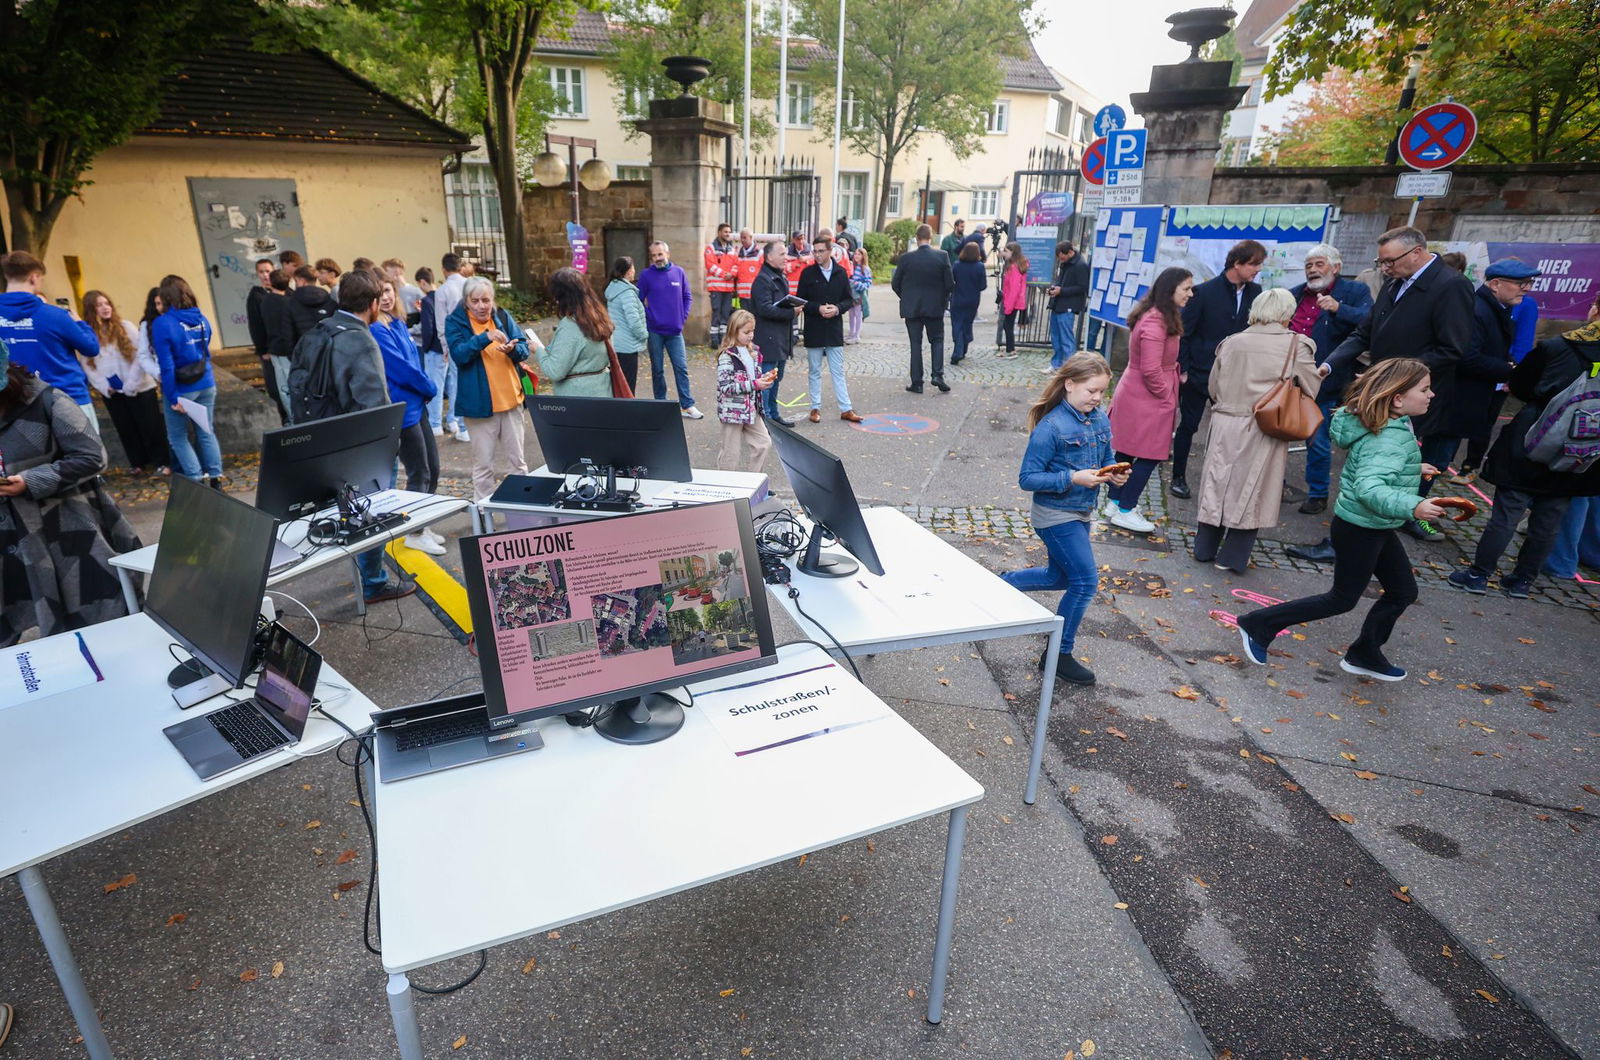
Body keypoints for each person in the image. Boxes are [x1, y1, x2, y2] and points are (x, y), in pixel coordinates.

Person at [1236, 359, 1446, 682]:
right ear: (1397, 399)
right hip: (1361, 529)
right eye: (1425, 389)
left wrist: (1410, 468)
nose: (1431, 395)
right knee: (1342, 599)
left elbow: (1372, 464)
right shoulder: (1388, 437)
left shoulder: (1390, 425)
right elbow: (1369, 488)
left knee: (1403, 590)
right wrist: (1415, 506)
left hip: (1373, 525)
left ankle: (1365, 653)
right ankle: (1259, 624)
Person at [1323, 225, 1475, 541]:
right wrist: (1327, 364)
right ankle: (1357, 532)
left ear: (1417, 252)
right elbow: (1364, 333)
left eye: (1390, 261)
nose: (1385, 268)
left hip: (1407, 398)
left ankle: (1390, 522)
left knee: (1387, 463)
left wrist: (1393, 378)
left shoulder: (1451, 286)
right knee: (1370, 462)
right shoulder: (1395, 283)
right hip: (1384, 394)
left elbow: (1451, 348)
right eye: (1381, 262)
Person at [1448, 290, 1600, 599]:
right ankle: (1522, 581)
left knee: (1507, 513)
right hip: (1582, 448)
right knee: (1549, 519)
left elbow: (1521, 386)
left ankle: (1479, 574)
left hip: (1534, 436)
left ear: (1595, 310)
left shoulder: (1558, 347)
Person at [998, 352, 1130, 686]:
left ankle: (1001, 584)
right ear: (1069, 384)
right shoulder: (1052, 427)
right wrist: (1072, 477)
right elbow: (1028, 478)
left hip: (1081, 511)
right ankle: (1058, 654)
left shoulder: (1099, 420)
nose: (1097, 397)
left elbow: (1106, 459)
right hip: (1054, 515)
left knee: (1058, 576)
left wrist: (1114, 475)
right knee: (1084, 582)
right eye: (1091, 390)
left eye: (1102, 391)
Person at [0, 338, 141, 647]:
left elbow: (92, 456)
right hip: (9, 538)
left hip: (66, 529)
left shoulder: (49, 401)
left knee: (94, 626)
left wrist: (31, 480)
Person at [294, 269, 416, 604]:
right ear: (374, 303)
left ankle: (365, 577)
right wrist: (388, 448)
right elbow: (375, 405)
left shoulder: (319, 330)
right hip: (355, 445)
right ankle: (373, 582)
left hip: (321, 436)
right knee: (369, 511)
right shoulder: (360, 340)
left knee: (347, 511)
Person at [1192, 289, 1322, 573]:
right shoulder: (1297, 345)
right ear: (1287, 313)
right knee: (1252, 489)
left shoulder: (1231, 342)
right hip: (1265, 424)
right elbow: (1311, 389)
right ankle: (1231, 557)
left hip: (1225, 420)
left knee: (1216, 483)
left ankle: (1204, 548)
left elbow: (1213, 386)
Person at [1169, 240, 1265, 499]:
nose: (1258, 269)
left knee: (1229, 430)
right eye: (1254, 264)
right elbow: (1184, 333)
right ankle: (1178, 476)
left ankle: (1221, 479)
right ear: (1237, 263)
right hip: (1199, 373)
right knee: (1189, 426)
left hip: (1234, 375)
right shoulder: (1204, 292)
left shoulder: (1256, 293)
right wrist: (1184, 370)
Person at [1287, 244, 1374, 530]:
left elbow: (1370, 322)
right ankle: (1275, 483)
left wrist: (1338, 308)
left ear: (1336, 267)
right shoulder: (1296, 293)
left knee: (1318, 441)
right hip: (1288, 380)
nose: (1312, 270)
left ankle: (1317, 493)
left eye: (1319, 264)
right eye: (1308, 265)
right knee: (1275, 432)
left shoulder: (1354, 292)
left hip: (1325, 381)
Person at [1105, 267, 1194, 533]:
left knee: (1126, 450)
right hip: (1147, 397)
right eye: (1186, 288)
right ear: (1170, 290)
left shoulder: (1156, 315)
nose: (1190, 293)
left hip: (1139, 394)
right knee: (1149, 454)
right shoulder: (1156, 322)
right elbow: (1151, 369)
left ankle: (1115, 502)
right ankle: (1125, 509)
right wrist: (1166, 395)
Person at [1445, 260, 1538, 484]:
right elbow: (1468, 357)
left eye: (1529, 283)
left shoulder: (1507, 306)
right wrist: (1509, 370)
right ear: (1495, 284)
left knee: (1483, 426)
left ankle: (1469, 466)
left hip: (1490, 382)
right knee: (1444, 444)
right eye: (1521, 283)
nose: (1527, 288)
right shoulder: (1478, 308)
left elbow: (1521, 341)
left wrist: (1512, 371)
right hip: (1465, 391)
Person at [371, 278, 442, 556]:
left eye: (388, 291)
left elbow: (414, 361)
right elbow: (401, 369)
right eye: (380, 293)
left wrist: (424, 389)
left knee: (432, 468)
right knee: (418, 472)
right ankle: (414, 532)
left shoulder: (396, 322)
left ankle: (422, 523)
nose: (385, 297)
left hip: (417, 404)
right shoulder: (377, 328)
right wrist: (429, 387)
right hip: (403, 410)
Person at [446, 275, 532, 502]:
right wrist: (485, 337)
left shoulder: (501, 316)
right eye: (475, 301)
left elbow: (523, 347)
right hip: (479, 408)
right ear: (466, 301)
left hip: (511, 402)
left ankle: (522, 510)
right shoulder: (455, 322)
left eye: (486, 300)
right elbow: (459, 355)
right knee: (484, 467)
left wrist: (513, 350)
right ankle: (484, 514)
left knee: (518, 464)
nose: (481, 306)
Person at [0, 252, 99, 431]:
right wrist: (80, 323)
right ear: (34, 277)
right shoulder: (56, 315)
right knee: (87, 449)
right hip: (68, 401)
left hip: (15, 407)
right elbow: (91, 347)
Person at [81, 290, 168, 475]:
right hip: (113, 391)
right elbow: (88, 365)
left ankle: (161, 462)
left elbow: (140, 356)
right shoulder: (88, 335)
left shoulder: (126, 327)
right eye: (99, 305)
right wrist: (104, 386)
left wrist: (131, 383)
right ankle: (137, 463)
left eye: (107, 303)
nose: (105, 308)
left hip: (139, 387)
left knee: (151, 425)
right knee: (126, 428)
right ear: (90, 310)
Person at [149, 275, 224, 487]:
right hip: (206, 381)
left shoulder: (163, 323)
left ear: (165, 297)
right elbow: (205, 347)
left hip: (182, 387)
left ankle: (196, 479)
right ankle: (216, 478)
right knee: (206, 431)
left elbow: (167, 365)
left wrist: (172, 397)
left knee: (177, 437)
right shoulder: (201, 318)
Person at [798, 237, 861, 423]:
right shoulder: (807, 273)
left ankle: (846, 408)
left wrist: (837, 309)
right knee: (814, 370)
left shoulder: (840, 273)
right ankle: (815, 407)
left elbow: (848, 300)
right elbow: (800, 301)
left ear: (830, 251)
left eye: (821, 251)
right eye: (815, 251)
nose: (817, 255)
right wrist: (817, 308)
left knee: (838, 370)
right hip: (814, 327)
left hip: (834, 328)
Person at [636, 241, 702, 419]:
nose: (657, 258)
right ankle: (661, 404)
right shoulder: (646, 275)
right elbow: (638, 300)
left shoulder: (678, 272)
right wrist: (650, 316)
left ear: (668, 254)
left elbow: (687, 297)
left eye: (660, 254)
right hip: (655, 331)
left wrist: (682, 317)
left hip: (675, 332)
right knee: (657, 370)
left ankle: (687, 405)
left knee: (681, 368)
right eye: (654, 255)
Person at [893, 223, 955, 393]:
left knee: (915, 344)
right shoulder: (942, 256)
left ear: (916, 238)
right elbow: (949, 284)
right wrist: (942, 300)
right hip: (934, 307)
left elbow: (895, 283)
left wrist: (906, 297)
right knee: (937, 340)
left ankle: (917, 382)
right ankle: (937, 375)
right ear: (931, 237)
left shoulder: (906, 258)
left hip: (912, 307)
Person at [715, 309, 774, 473]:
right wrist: (755, 384)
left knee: (763, 443)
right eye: (746, 332)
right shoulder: (727, 356)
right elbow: (726, 387)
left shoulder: (753, 351)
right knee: (730, 454)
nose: (751, 335)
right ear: (734, 331)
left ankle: (753, 481)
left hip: (751, 409)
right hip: (732, 412)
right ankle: (726, 486)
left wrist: (764, 379)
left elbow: (754, 378)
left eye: (752, 331)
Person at [541, 267, 615, 398]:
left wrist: (538, 351)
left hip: (577, 398)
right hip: (603, 391)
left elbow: (555, 371)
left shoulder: (570, 326)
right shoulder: (599, 318)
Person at [750, 241, 798, 427]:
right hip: (768, 340)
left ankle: (774, 415)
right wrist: (791, 312)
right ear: (769, 257)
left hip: (780, 339)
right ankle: (765, 422)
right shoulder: (763, 280)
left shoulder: (779, 277)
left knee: (776, 379)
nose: (786, 257)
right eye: (782, 254)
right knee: (767, 382)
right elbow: (764, 309)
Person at [433, 252, 470, 441]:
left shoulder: (442, 291)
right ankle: (464, 422)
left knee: (457, 382)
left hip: (455, 340)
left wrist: (445, 347)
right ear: (460, 267)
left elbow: (441, 324)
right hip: (474, 336)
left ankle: (460, 424)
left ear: (443, 269)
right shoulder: (470, 284)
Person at [246, 257, 288, 421]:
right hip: (270, 349)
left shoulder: (286, 291)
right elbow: (255, 324)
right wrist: (263, 349)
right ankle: (284, 417)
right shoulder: (256, 295)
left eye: (268, 271)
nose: (265, 275)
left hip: (287, 347)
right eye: (261, 272)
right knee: (276, 385)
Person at [606, 256, 648, 394]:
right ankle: (627, 409)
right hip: (627, 347)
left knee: (617, 386)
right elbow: (634, 321)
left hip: (615, 344)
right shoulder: (627, 293)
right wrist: (644, 335)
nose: (634, 271)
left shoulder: (613, 288)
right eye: (633, 268)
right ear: (629, 271)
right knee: (628, 388)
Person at [1046, 241, 1089, 373]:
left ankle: (1070, 369)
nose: (1061, 260)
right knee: (1056, 337)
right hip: (1058, 304)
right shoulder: (1066, 263)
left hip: (1068, 305)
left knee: (1066, 338)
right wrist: (1054, 288)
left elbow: (1083, 287)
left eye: (1062, 257)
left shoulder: (1080, 265)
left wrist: (1062, 291)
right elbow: (1062, 281)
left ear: (1070, 252)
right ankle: (1057, 364)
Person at [259, 268, 294, 420]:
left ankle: (289, 416)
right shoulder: (288, 303)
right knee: (291, 383)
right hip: (286, 349)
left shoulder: (265, 301)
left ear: (271, 283)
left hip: (273, 347)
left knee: (282, 386)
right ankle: (295, 416)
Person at [282, 264, 334, 355]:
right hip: (328, 352)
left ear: (302, 281)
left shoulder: (290, 303)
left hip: (304, 353)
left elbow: (287, 335)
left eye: (296, 281)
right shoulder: (329, 301)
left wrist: (293, 356)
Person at [950, 242, 987, 365]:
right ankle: (963, 348)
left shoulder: (957, 265)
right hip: (973, 300)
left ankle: (958, 350)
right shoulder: (980, 266)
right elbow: (983, 286)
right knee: (967, 324)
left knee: (957, 324)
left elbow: (951, 281)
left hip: (958, 299)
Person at [704, 223, 738, 348]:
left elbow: (736, 264)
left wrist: (732, 274)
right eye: (725, 232)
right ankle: (714, 339)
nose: (727, 234)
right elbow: (710, 265)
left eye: (729, 232)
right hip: (716, 287)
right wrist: (725, 274)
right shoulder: (711, 248)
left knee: (726, 313)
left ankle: (723, 338)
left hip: (728, 288)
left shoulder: (732, 249)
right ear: (719, 233)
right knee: (716, 312)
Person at [997, 242, 1030, 360]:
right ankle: (1009, 349)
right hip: (1015, 300)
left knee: (1007, 325)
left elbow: (1014, 289)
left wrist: (1009, 306)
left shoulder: (1014, 267)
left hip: (1013, 301)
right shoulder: (1017, 265)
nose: (1004, 253)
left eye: (1006, 251)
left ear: (1012, 252)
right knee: (1008, 325)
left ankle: (1011, 350)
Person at [846, 246, 872, 345]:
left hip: (859, 295)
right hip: (851, 294)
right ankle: (851, 333)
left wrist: (858, 285)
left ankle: (856, 336)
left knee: (858, 315)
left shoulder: (865, 269)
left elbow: (868, 283)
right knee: (851, 315)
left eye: (859, 254)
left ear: (863, 256)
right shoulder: (852, 266)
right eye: (855, 254)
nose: (856, 256)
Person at [384, 258, 423, 323]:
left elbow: (424, 315)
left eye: (385, 271)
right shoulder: (390, 293)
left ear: (396, 272)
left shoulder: (414, 292)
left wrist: (414, 328)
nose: (384, 274)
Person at [733, 228, 763, 308]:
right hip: (742, 294)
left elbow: (764, 273)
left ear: (751, 237)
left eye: (744, 238)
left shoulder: (760, 254)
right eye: (741, 238)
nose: (742, 240)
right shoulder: (738, 254)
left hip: (755, 294)